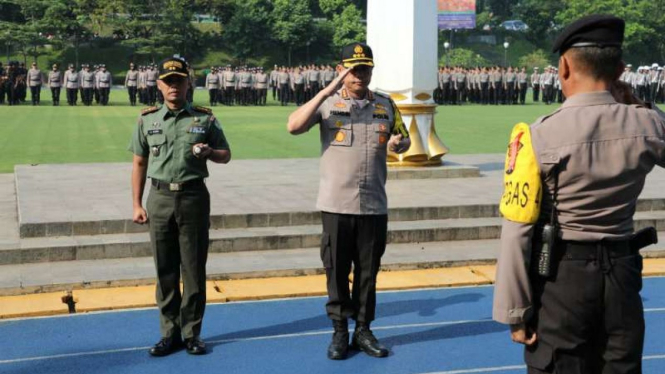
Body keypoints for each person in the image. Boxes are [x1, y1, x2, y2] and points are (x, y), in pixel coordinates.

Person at [493, 15, 663, 373]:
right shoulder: (648, 125)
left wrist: (514, 311)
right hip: (622, 274)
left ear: (564, 67)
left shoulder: (536, 135)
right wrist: (640, 105)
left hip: (561, 278)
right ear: (620, 70)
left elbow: (518, 228)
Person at [287, 42, 411, 361]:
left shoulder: (386, 105)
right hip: (336, 205)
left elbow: (404, 137)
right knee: (337, 271)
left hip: (373, 206)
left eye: (365, 69)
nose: (359, 75)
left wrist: (399, 143)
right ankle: (340, 331)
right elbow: (294, 126)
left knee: (368, 273)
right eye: (353, 70)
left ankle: (364, 330)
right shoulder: (328, 105)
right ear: (341, 70)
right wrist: (327, 89)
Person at [128, 56, 231, 357]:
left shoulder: (205, 118)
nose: (174, 86)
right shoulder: (147, 119)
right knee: (165, 270)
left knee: (194, 269)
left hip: (193, 197)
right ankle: (168, 333)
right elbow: (139, 163)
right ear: (159, 85)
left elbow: (226, 154)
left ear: (188, 84)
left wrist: (211, 151)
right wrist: (136, 203)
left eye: (179, 80)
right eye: (168, 81)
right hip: (159, 198)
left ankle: (192, 333)